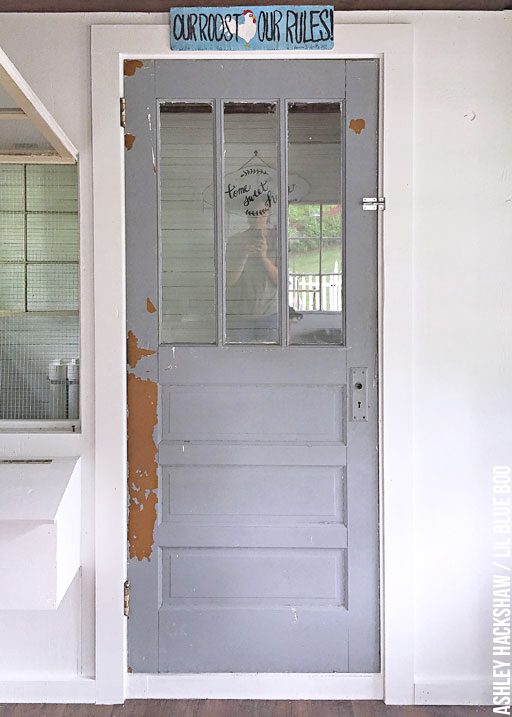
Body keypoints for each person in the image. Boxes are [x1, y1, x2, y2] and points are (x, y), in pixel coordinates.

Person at [225, 201, 279, 343]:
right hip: (239, 315)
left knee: (270, 361)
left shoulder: (278, 239)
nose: (257, 218)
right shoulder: (235, 241)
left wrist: (263, 257)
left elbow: (281, 281)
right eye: (253, 214)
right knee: (237, 360)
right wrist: (243, 255)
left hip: (270, 313)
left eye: (261, 213)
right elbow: (228, 282)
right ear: (247, 216)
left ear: (268, 214)